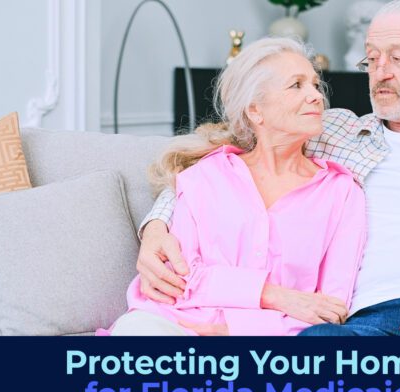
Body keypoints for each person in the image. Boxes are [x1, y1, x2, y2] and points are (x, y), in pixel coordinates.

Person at [137, 0, 400, 336]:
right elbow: (226, 159)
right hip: (370, 321)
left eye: (398, 58)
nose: (381, 74)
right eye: (372, 60)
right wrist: (156, 227)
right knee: (317, 348)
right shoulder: (332, 131)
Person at [98, 37, 366, 336]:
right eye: (296, 85)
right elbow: (180, 279)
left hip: (274, 339)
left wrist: (237, 330)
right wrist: (274, 295)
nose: (316, 96)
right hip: (170, 325)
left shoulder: (342, 192)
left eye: (316, 85)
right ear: (255, 111)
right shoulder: (205, 176)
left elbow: (330, 307)